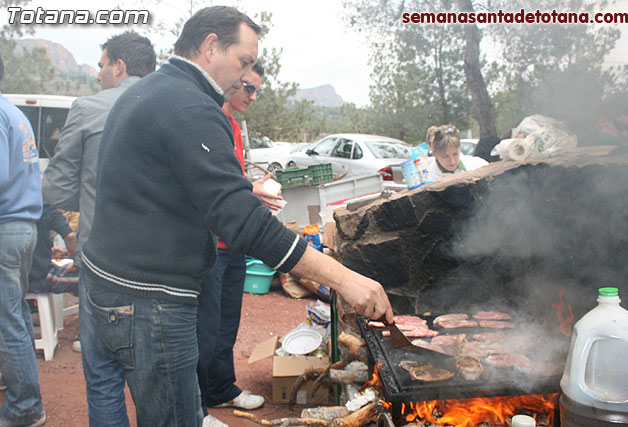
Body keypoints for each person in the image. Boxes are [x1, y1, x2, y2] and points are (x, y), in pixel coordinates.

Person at [80, 6, 393, 426]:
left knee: (118, 398)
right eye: (244, 62)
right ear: (211, 46)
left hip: (106, 281)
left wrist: (242, 188)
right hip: (151, 299)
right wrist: (345, 279)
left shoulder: (148, 90)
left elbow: (169, 181)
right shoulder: (189, 106)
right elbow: (244, 224)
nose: (246, 77)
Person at [42, 31, 156, 427]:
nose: (99, 75)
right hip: (162, 267)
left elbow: (55, 188)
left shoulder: (89, 108)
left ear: (119, 65)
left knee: (104, 373)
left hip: (101, 260)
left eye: (103, 65)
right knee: (156, 379)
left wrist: (88, 194)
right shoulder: (173, 105)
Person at [197, 61, 276, 427]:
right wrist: (252, 189)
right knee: (205, 327)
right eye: (248, 88)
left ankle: (222, 389)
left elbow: (235, 179)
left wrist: (255, 190)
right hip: (212, 244)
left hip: (235, 240)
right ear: (231, 82)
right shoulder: (210, 118)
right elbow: (213, 182)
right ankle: (196, 407)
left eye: (257, 90)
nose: (253, 96)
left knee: (227, 322)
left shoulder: (235, 127)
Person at [0, 55, 47, 427]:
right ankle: (14, 384)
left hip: (5, 227)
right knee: (11, 314)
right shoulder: (14, 113)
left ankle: (25, 406)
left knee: (9, 319)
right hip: (23, 226)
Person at [27, 204, 79, 295]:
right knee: (90, 280)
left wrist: (46, 253)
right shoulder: (46, 207)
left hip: (13, 279)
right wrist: (78, 263)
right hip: (38, 278)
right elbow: (70, 236)